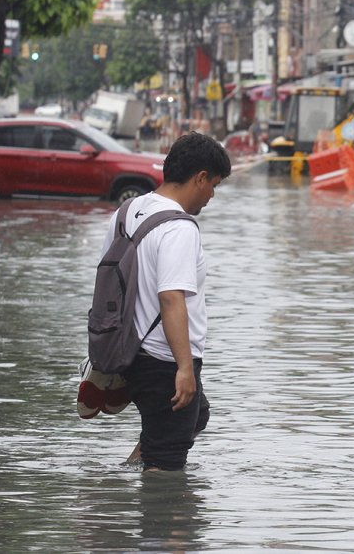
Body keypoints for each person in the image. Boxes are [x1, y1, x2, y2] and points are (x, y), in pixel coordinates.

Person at [112, 132, 231, 472]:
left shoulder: (128, 210)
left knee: (197, 414)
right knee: (165, 468)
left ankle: (132, 466)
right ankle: (148, 494)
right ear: (200, 178)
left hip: (130, 351)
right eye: (213, 186)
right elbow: (170, 298)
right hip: (164, 359)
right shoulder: (179, 227)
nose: (211, 196)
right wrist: (184, 368)